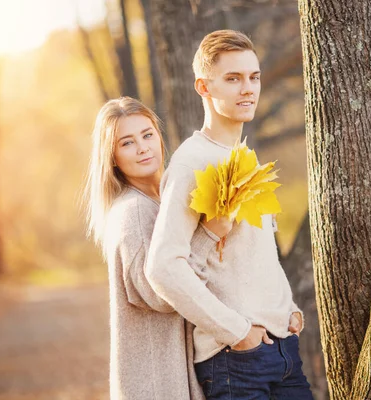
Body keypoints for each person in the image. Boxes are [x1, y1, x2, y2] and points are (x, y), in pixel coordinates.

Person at [145, 30, 314, 399]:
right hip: (235, 363)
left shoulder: (243, 156)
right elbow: (162, 267)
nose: (248, 89)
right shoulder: (191, 162)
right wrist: (237, 333)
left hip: (283, 351)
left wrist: (287, 308)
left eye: (254, 77)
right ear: (204, 87)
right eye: (233, 79)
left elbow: (253, 256)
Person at [84, 97, 230, 399]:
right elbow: (159, 293)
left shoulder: (164, 201)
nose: (143, 148)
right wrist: (207, 236)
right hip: (158, 384)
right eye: (127, 143)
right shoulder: (134, 212)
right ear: (112, 158)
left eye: (147, 134)